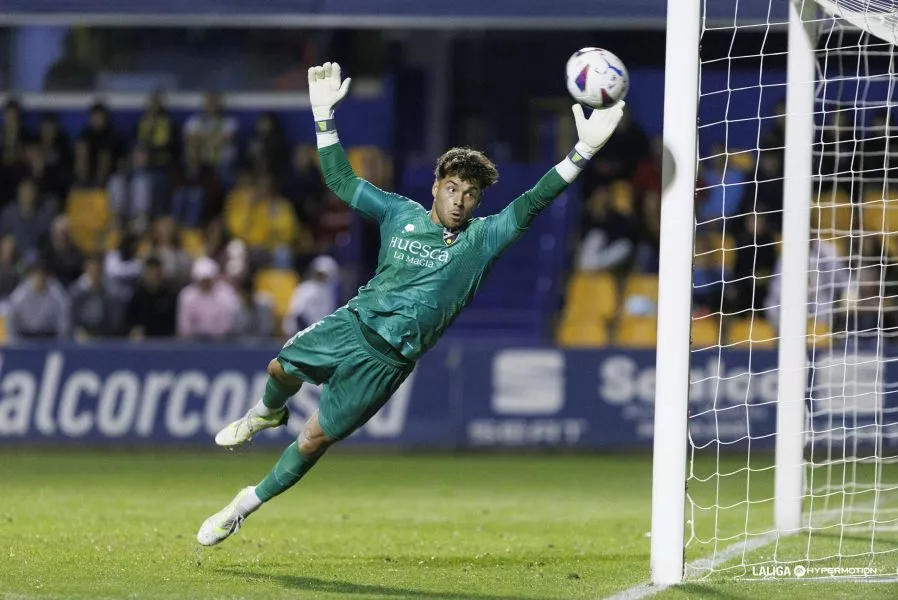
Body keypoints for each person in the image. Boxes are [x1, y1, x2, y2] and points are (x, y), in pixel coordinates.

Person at [196, 62, 624, 546]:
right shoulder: (399, 212)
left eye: (470, 194)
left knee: (313, 440)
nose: (459, 200)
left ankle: (244, 504)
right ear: (436, 186)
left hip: (388, 362)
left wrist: (582, 152)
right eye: (452, 188)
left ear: (478, 202)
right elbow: (341, 182)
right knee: (279, 368)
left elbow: (534, 201)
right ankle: (265, 413)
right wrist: (323, 116)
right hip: (351, 324)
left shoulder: (483, 239)